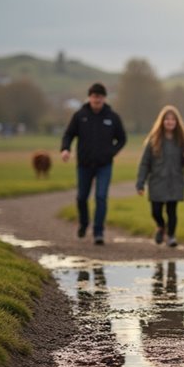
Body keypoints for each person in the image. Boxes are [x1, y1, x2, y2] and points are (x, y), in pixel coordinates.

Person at [61, 82, 127, 245]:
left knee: (101, 197)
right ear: (89, 97)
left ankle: (98, 232)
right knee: (81, 197)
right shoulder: (80, 116)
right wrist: (65, 149)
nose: (97, 100)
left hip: (104, 165)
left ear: (104, 98)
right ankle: (84, 223)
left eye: (100, 97)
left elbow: (122, 139)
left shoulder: (112, 117)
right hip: (84, 164)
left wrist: (112, 152)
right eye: (94, 97)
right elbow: (68, 135)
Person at [136, 105, 184, 248]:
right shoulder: (153, 140)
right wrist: (140, 183)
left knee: (172, 211)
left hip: (175, 181)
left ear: (177, 122)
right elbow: (145, 163)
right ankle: (161, 226)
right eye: (167, 119)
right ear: (162, 121)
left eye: (173, 119)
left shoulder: (182, 141)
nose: (170, 122)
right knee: (156, 211)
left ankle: (171, 236)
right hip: (157, 181)